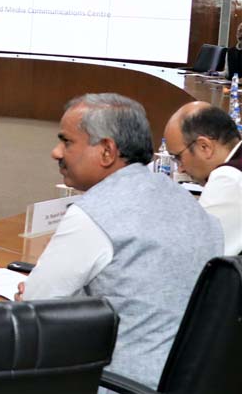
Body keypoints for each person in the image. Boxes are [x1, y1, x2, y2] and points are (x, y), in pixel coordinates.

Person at [19, 93, 220, 390]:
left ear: (107, 152)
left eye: (67, 142)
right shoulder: (194, 206)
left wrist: (36, 293)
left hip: (114, 382)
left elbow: (34, 310)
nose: (56, 152)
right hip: (189, 380)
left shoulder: (94, 214)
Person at [164, 101, 242, 255]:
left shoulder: (229, 178)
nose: (181, 168)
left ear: (204, 147)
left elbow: (194, 253)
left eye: (178, 157)